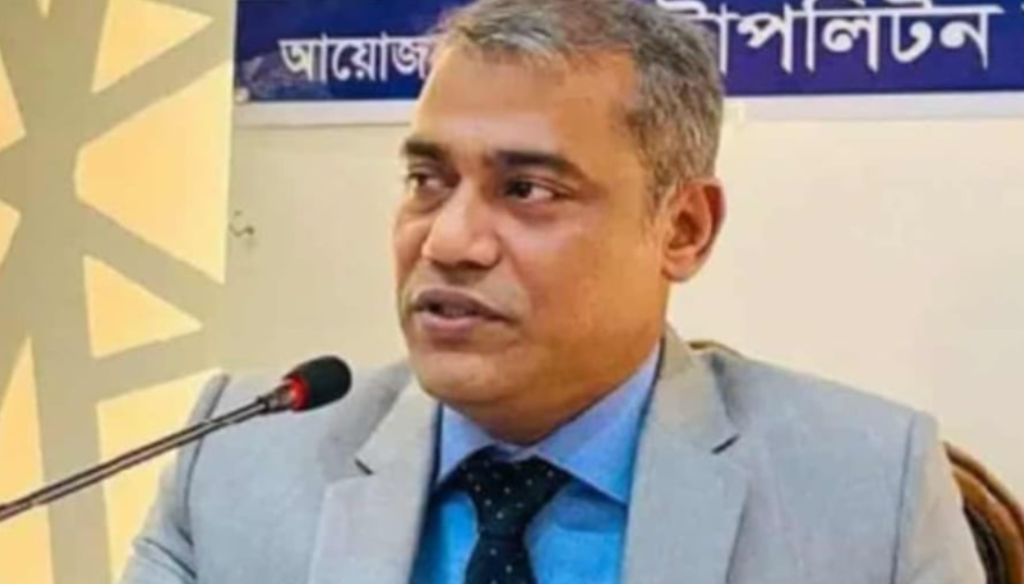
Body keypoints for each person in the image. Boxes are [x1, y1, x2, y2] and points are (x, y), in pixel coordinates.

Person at [120, 0, 985, 583]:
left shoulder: (864, 490)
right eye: (427, 180)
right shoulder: (239, 462)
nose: (448, 241)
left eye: (527, 190)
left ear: (682, 229)